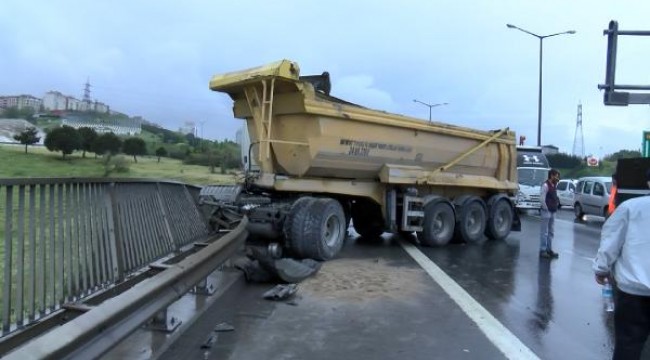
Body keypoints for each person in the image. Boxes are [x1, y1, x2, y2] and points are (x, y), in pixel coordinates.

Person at [593, 169, 650, 360]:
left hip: (632, 293)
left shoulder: (630, 208)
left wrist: (601, 268)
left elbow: (610, 242)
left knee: (628, 345)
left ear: (648, 183)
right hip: (632, 292)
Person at [539, 168, 560, 259]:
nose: (557, 178)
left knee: (551, 232)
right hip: (546, 211)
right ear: (551, 175)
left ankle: (549, 249)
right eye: (556, 176)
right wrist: (546, 208)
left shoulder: (554, 185)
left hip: (553, 211)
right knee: (544, 232)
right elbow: (542, 198)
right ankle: (543, 250)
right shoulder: (545, 185)